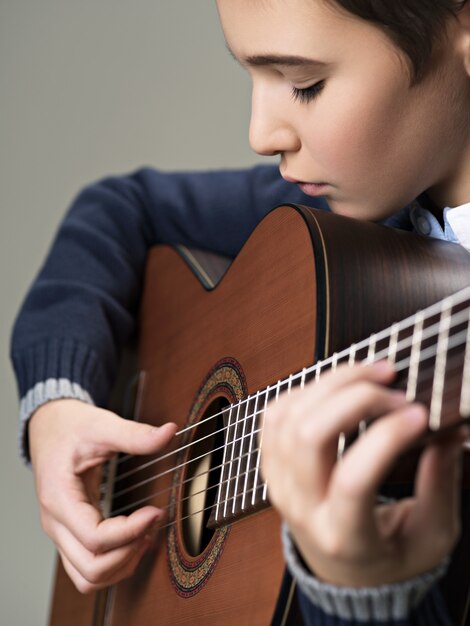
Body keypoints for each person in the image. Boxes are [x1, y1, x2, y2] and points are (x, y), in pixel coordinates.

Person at [10, 0, 470, 624]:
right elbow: (122, 208)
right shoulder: (344, 216)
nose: (260, 134)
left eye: (305, 84)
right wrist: (57, 402)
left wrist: (365, 590)